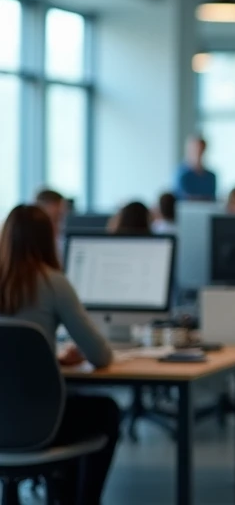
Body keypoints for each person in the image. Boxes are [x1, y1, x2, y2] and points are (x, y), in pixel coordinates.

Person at [0, 205, 122, 505]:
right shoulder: (53, 282)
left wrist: (48, 359)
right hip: (40, 426)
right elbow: (101, 356)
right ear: (48, 239)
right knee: (106, 410)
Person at [173, 135, 217, 201]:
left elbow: (212, 198)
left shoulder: (211, 176)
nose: (198, 153)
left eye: (200, 149)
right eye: (194, 149)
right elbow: (181, 197)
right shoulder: (181, 174)